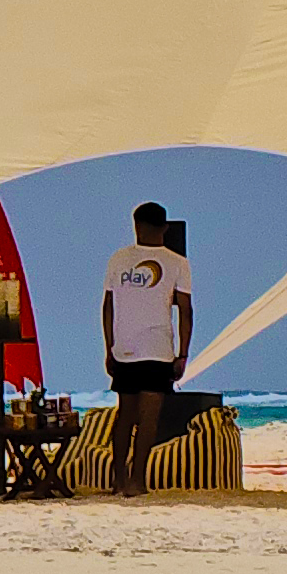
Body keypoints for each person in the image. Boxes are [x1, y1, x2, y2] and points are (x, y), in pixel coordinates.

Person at [100, 202, 193, 498]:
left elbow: (108, 306)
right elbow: (186, 311)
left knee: (125, 414)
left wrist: (109, 347)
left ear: (135, 224)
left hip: (124, 346)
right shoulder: (177, 262)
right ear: (165, 227)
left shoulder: (119, 259)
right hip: (157, 348)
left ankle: (119, 479)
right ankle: (138, 479)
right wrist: (183, 353)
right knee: (148, 417)